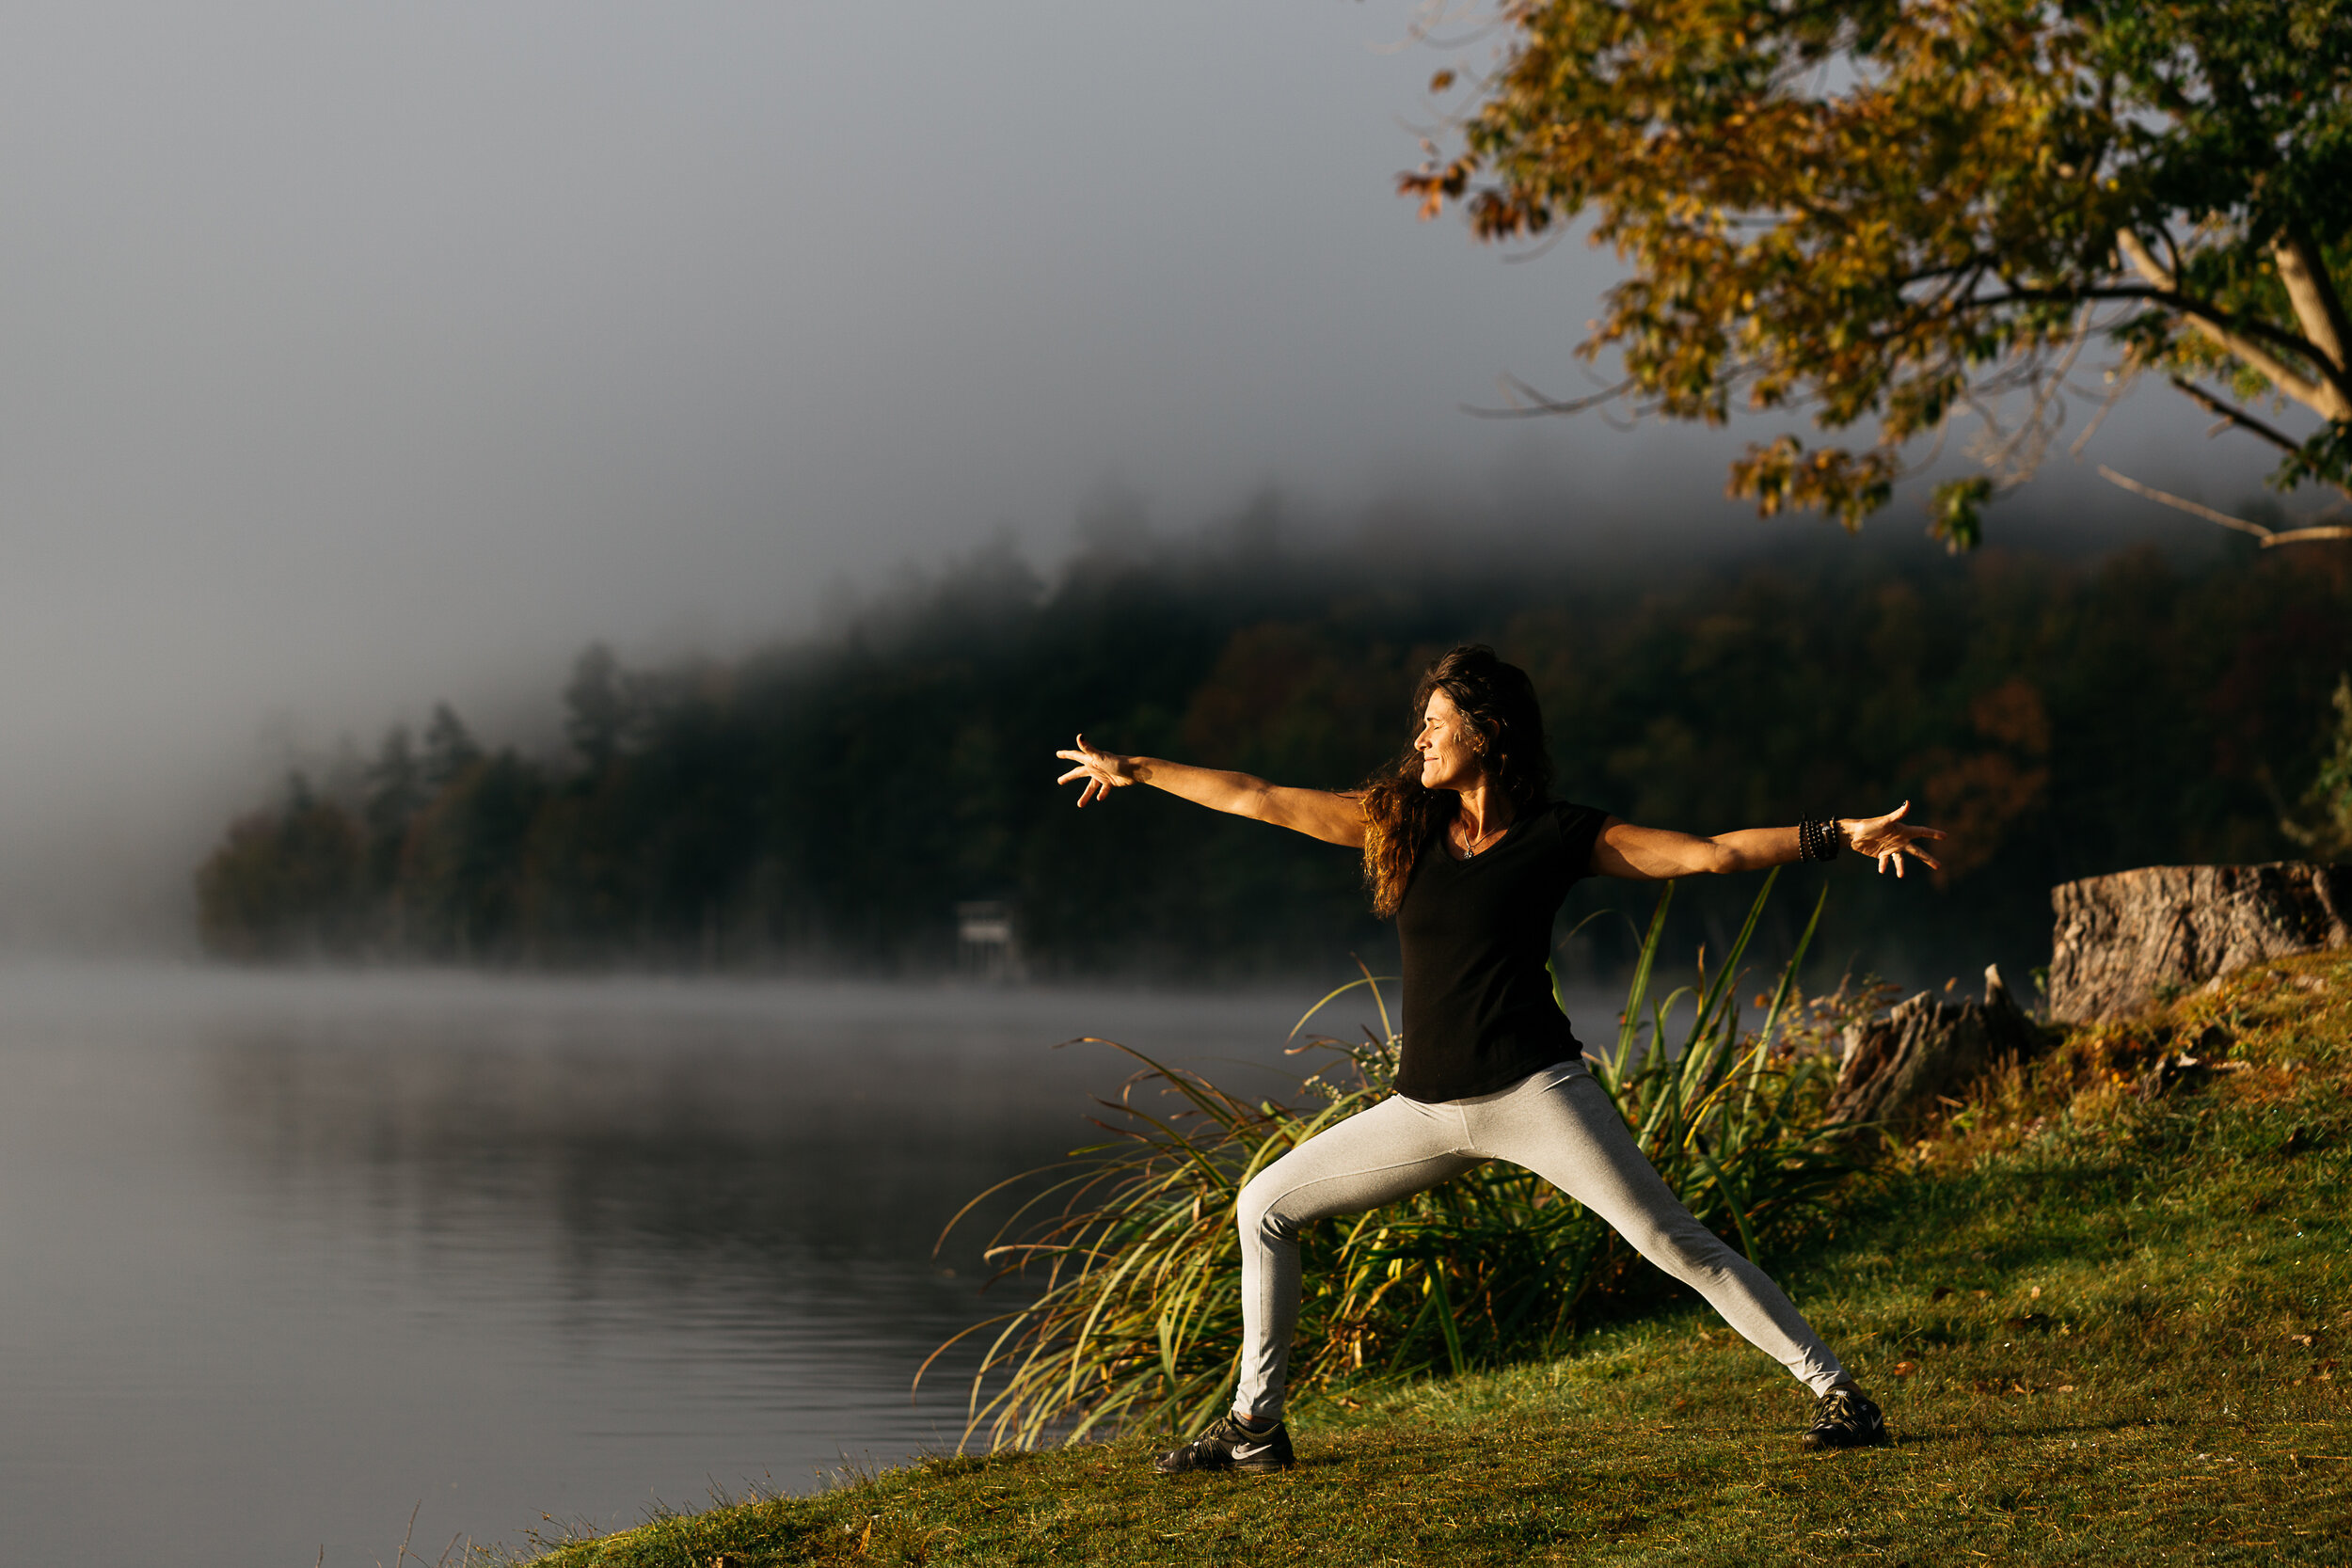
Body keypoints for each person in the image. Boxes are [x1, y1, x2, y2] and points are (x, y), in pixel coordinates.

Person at [1053, 644, 1944, 1473]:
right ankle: (1256, 1426)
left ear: (1486, 732)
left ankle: (1839, 1394)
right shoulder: (1399, 822)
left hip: (1537, 1095)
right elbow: (1257, 795)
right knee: (1266, 1205)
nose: (1420, 739)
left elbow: (1707, 856)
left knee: (1674, 1242)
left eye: (1435, 723)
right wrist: (1136, 769)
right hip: (1426, 1110)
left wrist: (1838, 833)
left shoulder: (1561, 836)